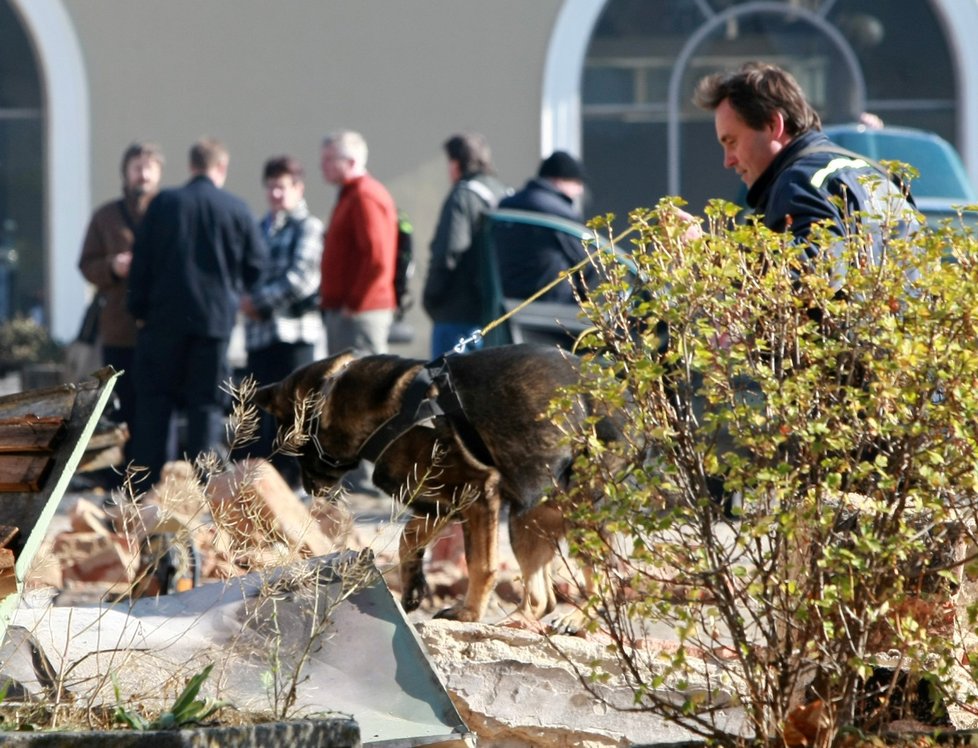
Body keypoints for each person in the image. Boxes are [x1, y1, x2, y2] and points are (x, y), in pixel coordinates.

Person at [128, 138, 267, 487]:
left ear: (191, 166)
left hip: (162, 321)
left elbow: (140, 264)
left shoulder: (164, 204)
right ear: (221, 168)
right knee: (205, 405)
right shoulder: (236, 208)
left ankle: (147, 484)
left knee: (156, 403)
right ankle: (204, 484)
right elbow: (257, 267)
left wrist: (138, 309)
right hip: (214, 324)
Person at [691, 61, 917, 260]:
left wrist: (709, 252)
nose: (728, 161)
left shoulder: (800, 181)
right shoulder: (876, 175)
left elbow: (815, 271)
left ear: (773, 125)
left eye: (732, 142)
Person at [77, 141, 164, 469]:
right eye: (136, 167)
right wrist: (113, 266)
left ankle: (152, 475)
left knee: (155, 406)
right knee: (119, 405)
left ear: (158, 173)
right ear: (125, 173)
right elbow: (86, 264)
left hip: (159, 327)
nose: (142, 174)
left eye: (148, 167)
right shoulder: (106, 216)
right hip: (118, 328)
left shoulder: (168, 211)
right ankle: (117, 477)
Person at [239, 156, 324, 487]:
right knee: (265, 413)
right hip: (260, 336)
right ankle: (268, 485)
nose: (276, 194)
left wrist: (257, 302)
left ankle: (300, 483)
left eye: (283, 186)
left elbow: (302, 279)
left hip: (295, 335)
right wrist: (244, 300)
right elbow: (244, 273)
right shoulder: (260, 228)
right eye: (271, 186)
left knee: (297, 411)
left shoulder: (308, 227)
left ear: (298, 188)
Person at [422, 133, 510, 356]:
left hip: (457, 316)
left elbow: (449, 251)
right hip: (494, 316)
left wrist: (431, 296)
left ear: (455, 163)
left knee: (449, 384)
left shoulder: (463, 196)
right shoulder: (503, 194)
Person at [319, 130, 398, 355]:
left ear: (351, 161)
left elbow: (377, 258)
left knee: (361, 384)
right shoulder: (350, 195)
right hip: (349, 311)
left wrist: (354, 304)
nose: (322, 166)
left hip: (360, 314)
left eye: (329, 160)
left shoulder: (364, 196)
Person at [496, 150, 593, 304]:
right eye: (577, 183)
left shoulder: (505, 206)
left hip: (507, 305)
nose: (580, 190)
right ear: (560, 180)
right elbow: (587, 262)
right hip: (552, 311)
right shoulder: (560, 213)